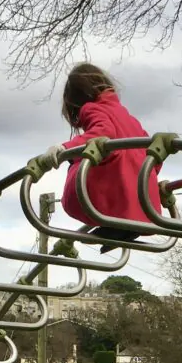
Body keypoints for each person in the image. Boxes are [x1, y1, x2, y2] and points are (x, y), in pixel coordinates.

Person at [30, 63, 163, 252]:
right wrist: (149, 180)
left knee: (82, 165)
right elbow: (153, 156)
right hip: (143, 200)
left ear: (77, 101)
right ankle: (121, 227)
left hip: (115, 192)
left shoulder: (91, 108)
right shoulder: (130, 118)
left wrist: (65, 149)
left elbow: (103, 132)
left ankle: (115, 223)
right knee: (124, 161)